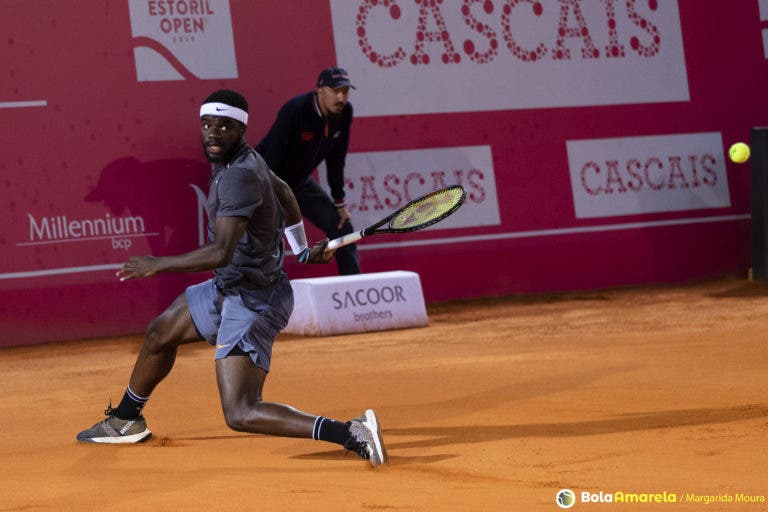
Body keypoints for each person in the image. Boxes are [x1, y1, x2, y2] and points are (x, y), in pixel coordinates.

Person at [76, 90, 387, 467]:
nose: (212, 134)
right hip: (232, 286)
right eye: (207, 125)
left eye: (224, 126)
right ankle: (127, 418)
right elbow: (286, 192)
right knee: (161, 332)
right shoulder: (243, 158)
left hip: (255, 300)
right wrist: (301, 247)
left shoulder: (239, 175)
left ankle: (350, 432)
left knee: (241, 411)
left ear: (240, 128)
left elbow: (221, 251)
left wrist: (157, 264)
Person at [254, 66, 360, 275]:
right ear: (320, 90)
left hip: (299, 184)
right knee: (264, 243)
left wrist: (339, 202)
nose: (340, 97)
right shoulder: (295, 110)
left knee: (342, 227)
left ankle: (355, 290)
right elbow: (272, 157)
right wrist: (270, 201)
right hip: (265, 181)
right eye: (335, 90)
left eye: (345, 91)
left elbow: (336, 161)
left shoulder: (345, 113)